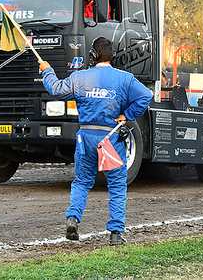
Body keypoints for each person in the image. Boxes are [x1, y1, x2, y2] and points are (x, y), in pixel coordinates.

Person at [38, 37, 152, 245]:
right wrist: (127, 115)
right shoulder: (125, 79)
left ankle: (73, 218)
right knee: (117, 185)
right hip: (110, 139)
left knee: (82, 181)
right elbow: (146, 95)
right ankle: (116, 233)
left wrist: (47, 71)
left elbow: (56, 89)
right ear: (112, 56)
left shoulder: (80, 77)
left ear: (92, 56)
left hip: (86, 137)